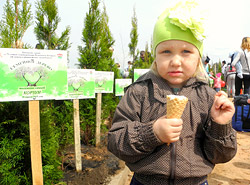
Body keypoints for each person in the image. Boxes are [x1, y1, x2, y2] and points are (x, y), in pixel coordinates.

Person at [108, 1, 237, 185]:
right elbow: (116, 141)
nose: (176, 61)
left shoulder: (208, 97)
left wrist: (220, 125)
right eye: (166, 51)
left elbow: (220, 155)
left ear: (198, 57)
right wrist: (152, 133)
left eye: (186, 52)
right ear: (155, 56)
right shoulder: (139, 92)